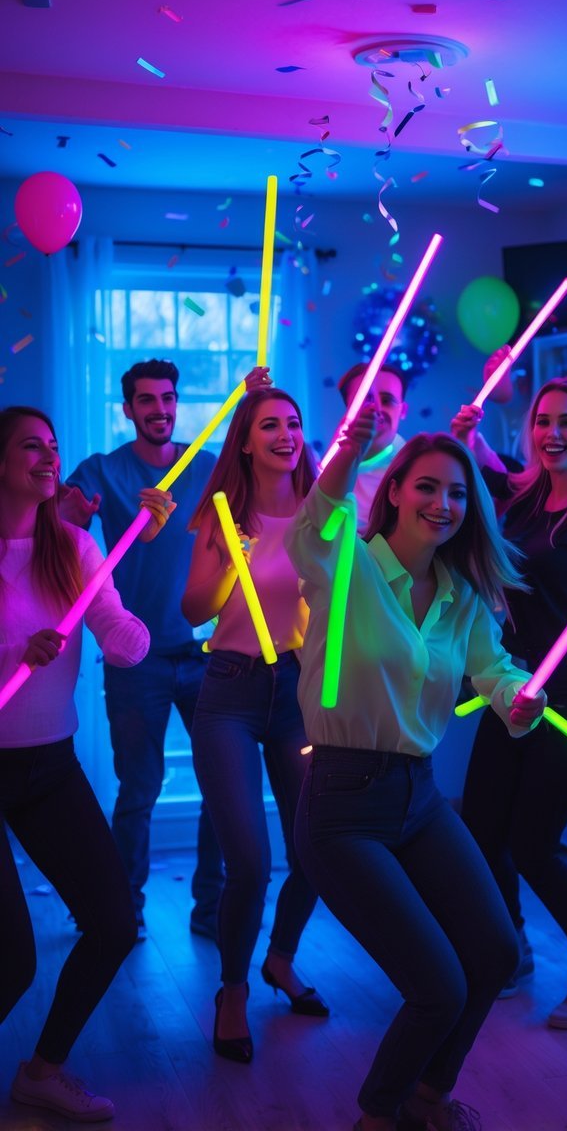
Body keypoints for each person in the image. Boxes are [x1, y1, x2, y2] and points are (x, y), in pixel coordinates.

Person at [285, 411, 546, 1131]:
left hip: (421, 798)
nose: (443, 503)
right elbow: (315, 519)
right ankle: (379, 1114)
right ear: (393, 490)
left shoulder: (462, 594)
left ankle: (428, 1098)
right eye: (426, 487)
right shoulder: (347, 565)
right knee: (436, 985)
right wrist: (349, 449)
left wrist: (515, 699)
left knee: (493, 953)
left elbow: (492, 668)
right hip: (341, 803)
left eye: (458, 493)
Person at [451, 377, 567, 1027]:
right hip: (512, 685)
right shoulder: (526, 498)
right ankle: (511, 951)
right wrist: (468, 435)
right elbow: (484, 478)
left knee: (531, 843)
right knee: (480, 831)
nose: (552, 433)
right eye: (542, 422)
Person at [0, 406, 151, 1122]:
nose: (49, 457)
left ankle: (42, 1071)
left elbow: (121, 641)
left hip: (50, 766)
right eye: (32, 446)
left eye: (53, 447)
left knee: (114, 923)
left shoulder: (73, 547)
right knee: (10, 962)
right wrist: (12, 655)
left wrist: (128, 622)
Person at [182, 381, 328, 1065]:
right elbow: (192, 610)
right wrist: (231, 561)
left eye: (293, 423)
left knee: (318, 852)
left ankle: (280, 959)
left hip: (299, 692)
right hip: (232, 691)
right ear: (245, 440)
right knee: (249, 860)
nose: (284, 434)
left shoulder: (323, 515)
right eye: (269, 424)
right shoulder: (221, 513)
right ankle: (232, 990)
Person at [63, 359, 224, 942]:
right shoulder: (103, 471)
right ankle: (123, 914)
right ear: (128, 409)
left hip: (207, 654)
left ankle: (212, 909)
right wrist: (73, 517)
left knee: (221, 787)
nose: (160, 409)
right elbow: (54, 521)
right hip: (137, 662)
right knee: (139, 790)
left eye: (169, 398)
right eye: (147, 400)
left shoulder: (206, 466)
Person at [337, 362, 409, 531]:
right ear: (349, 408)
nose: (376, 409)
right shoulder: (329, 468)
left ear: (403, 411)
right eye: (365, 400)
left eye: (387, 401)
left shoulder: (416, 467)